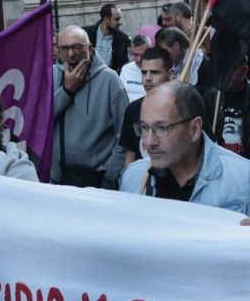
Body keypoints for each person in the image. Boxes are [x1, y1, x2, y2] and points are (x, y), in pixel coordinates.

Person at [119, 81, 250, 224]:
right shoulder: (134, 177)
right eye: (144, 127)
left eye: (162, 128)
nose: (148, 142)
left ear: (195, 129)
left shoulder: (245, 177)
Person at [49, 25, 128, 188]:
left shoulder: (109, 79)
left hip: (97, 178)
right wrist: (66, 91)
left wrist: (109, 174)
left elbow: (125, 134)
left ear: (89, 48)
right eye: (65, 48)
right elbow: (42, 122)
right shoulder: (51, 75)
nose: (71, 54)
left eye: (77, 47)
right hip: (59, 176)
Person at [119, 37, 181, 166]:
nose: (147, 78)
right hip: (142, 176)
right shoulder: (133, 109)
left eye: (155, 73)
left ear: (170, 75)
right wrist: (129, 175)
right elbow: (130, 154)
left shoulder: (184, 106)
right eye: (144, 72)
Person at [205, 58, 250, 163]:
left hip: (249, 162)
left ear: (245, 70)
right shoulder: (212, 96)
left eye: (233, 68)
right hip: (221, 162)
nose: (228, 73)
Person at [118, 27, 157, 102]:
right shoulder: (126, 69)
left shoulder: (157, 69)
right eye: (135, 55)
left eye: (142, 55)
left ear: (149, 49)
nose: (139, 59)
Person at [91, 2, 132, 72]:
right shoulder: (86, 34)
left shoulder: (125, 40)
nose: (120, 22)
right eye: (117, 19)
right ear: (106, 19)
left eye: (120, 19)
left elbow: (125, 65)